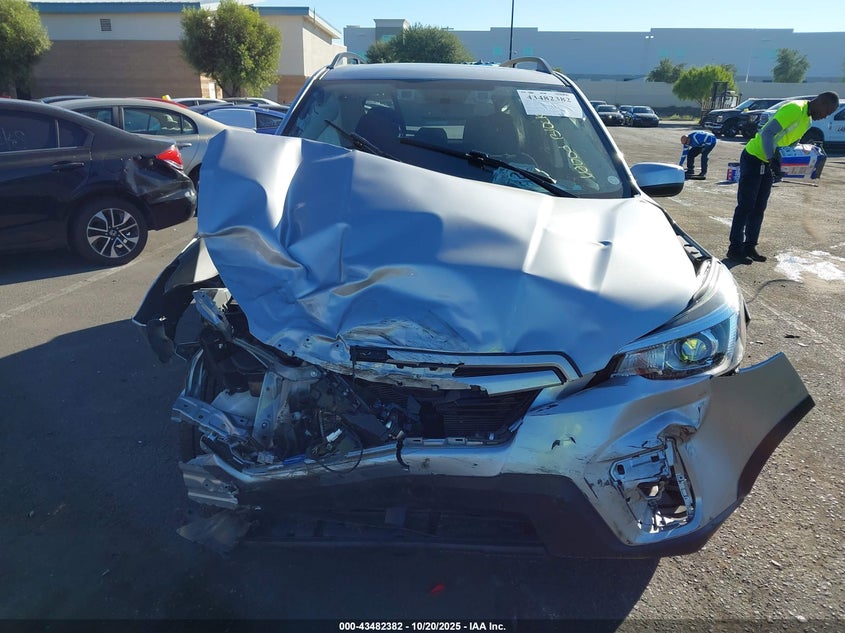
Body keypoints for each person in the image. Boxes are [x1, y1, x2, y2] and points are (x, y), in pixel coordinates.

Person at [726, 91, 839, 263]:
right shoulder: (794, 109)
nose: (825, 116)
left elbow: (791, 143)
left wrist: (789, 161)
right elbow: (767, 133)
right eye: (827, 112)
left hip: (769, 161)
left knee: (759, 207)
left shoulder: (807, 120)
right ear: (822, 103)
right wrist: (772, 159)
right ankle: (734, 249)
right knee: (746, 206)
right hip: (755, 157)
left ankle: (750, 246)